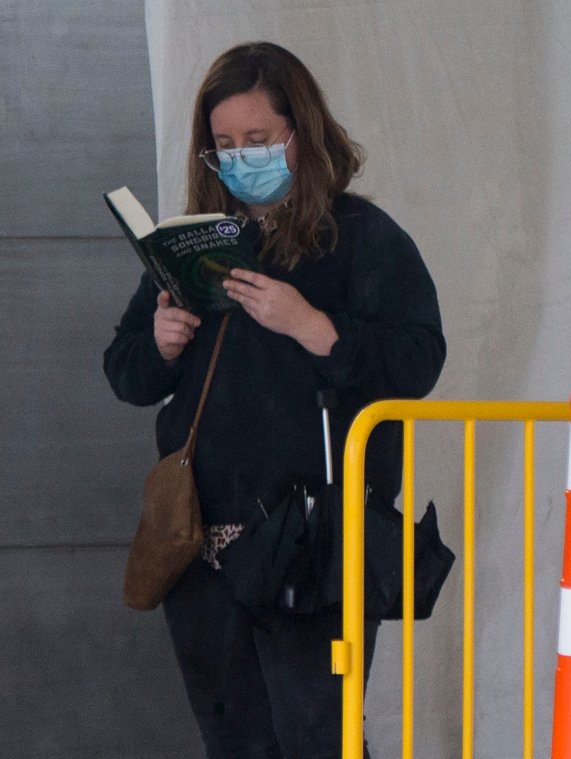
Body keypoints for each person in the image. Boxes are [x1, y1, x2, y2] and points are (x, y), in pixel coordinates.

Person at [103, 41, 445, 758]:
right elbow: (125, 372)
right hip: (200, 549)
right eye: (224, 145)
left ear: (301, 132)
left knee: (320, 740)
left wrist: (317, 329)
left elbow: (419, 359)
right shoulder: (194, 245)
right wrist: (160, 342)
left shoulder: (361, 239)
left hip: (314, 546)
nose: (240, 158)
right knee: (235, 744)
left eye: (257, 140)